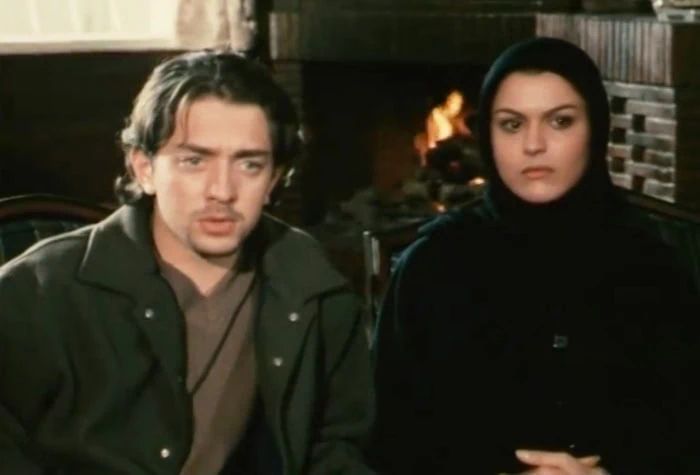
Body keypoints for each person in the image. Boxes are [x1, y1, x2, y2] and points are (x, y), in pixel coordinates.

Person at [0, 50, 375, 475]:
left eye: (249, 164)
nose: (222, 190)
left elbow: (335, 451)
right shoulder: (38, 292)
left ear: (273, 180)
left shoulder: (313, 287)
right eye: (194, 161)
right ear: (143, 169)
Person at [370, 37, 700, 475]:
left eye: (560, 121)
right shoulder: (432, 267)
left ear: (596, 129)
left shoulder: (663, 265)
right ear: (487, 136)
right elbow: (391, 448)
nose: (533, 144)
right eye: (511, 124)